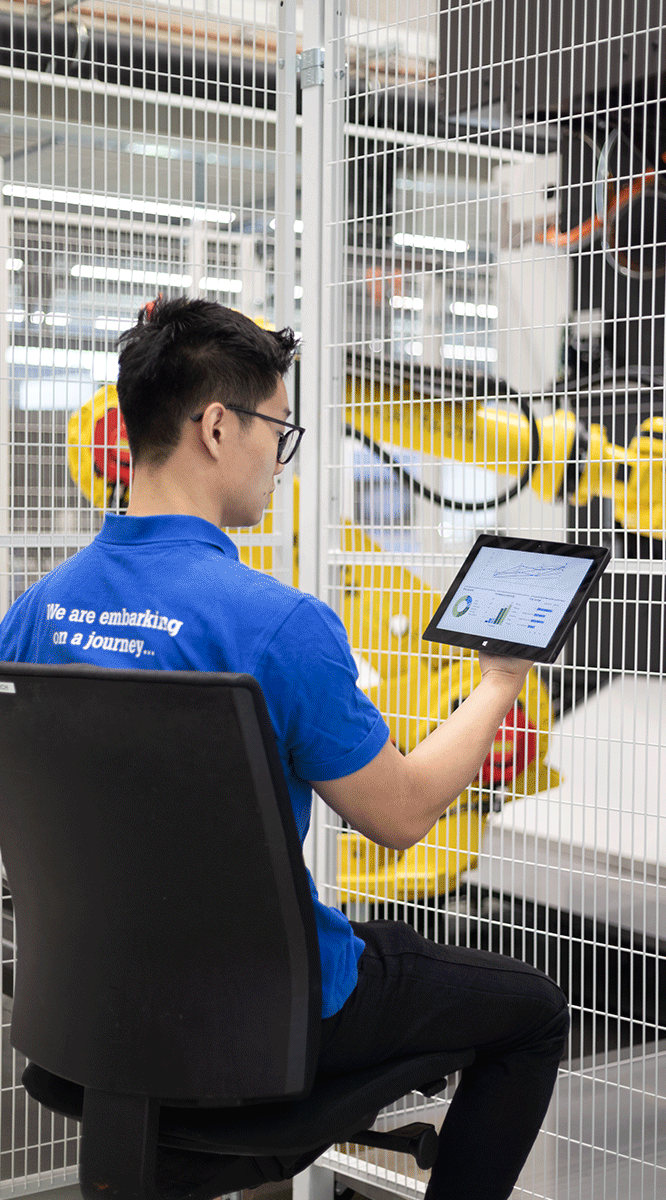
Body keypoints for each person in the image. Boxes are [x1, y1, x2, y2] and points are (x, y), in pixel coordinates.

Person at [0, 297, 569, 1200]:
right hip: (266, 1014)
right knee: (531, 1011)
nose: (280, 454)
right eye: (279, 427)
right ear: (217, 427)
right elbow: (401, 815)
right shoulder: (279, 625)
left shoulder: (34, 612)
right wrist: (500, 680)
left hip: (93, 1010)